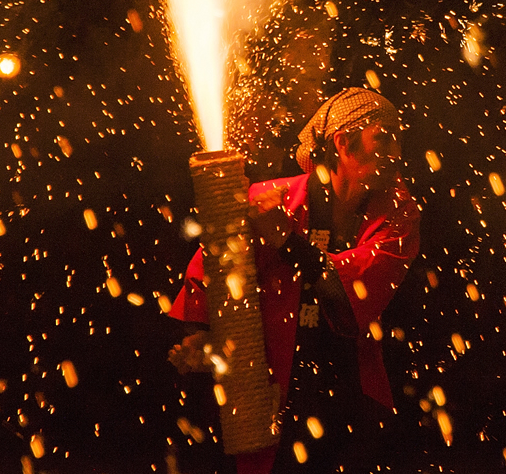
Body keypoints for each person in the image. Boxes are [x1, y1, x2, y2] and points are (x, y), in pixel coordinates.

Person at [167, 87, 421, 474]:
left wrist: (287, 239)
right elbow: (212, 270)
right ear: (343, 143)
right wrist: (200, 332)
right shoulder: (271, 198)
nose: (398, 154)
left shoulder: (400, 213)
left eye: (399, 139)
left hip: (349, 393)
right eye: (384, 139)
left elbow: (350, 302)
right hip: (270, 389)